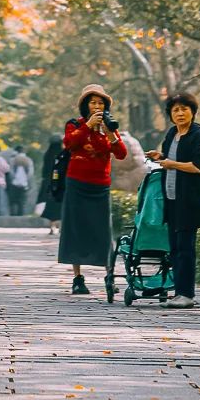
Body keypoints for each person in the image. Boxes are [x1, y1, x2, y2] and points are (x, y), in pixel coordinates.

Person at [59, 86, 127, 293]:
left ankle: (109, 276)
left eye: (101, 103)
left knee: (104, 231)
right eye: (93, 102)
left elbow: (122, 154)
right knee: (75, 230)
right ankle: (78, 279)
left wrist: (111, 134)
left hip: (100, 185)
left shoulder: (108, 126)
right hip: (77, 183)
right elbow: (69, 144)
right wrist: (88, 126)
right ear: (85, 105)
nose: (97, 107)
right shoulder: (74, 125)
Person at [148, 92, 200, 308]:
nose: (180, 113)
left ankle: (187, 294)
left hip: (189, 201)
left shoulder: (198, 134)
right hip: (172, 199)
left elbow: (197, 166)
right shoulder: (172, 134)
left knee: (185, 248)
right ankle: (178, 293)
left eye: (184, 109)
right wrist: (159, 157)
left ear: (192, 112)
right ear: (170, 115)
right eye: (175, 110)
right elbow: (169, 160)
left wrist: (171, 164)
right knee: (175, 248)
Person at [38, 134, 65, 234]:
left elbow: (45, 171)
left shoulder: (47, 154)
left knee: (50, 204)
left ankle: (52, 227)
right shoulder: (63, 154)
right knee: (61, 204)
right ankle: (61, 226)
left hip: (50, 182)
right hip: (61, 182)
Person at [7, 144, 35, 216]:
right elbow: (30, 173)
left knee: (12, 201)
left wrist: (12, 180)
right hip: (24, 184)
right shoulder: (29, 160)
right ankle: (21, 216)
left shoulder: (13, 160)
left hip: (14, 183)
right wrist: (27, 181)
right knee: (22, 202)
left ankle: (12, 216)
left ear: (16, 151)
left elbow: (11, 172)